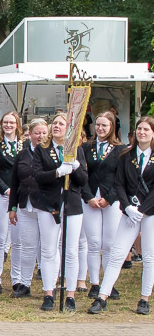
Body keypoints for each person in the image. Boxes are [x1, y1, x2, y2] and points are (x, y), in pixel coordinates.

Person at [88, 116, 154, 316]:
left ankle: (144, 298)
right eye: (139, 129)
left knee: (149, 257)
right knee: (117, 253)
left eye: (146, 129)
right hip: (129, 212)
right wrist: (127, 207)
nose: (142, 132)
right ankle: (102, 296)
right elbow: (119, 184)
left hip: (149, 212)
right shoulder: (126, 155)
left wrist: (142, 210)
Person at [32, 113, 88, 312]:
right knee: (48, 250)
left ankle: (70, 294)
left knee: (71, 251)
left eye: (61, 123)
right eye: (54, 123)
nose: (56, 126)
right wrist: (57, 172)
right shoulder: (42, 149)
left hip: (71, 203)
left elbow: (83, 180)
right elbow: (37, 175)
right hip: (48, 203)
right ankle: (49, 292)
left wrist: (76, 167)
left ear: (69, 128)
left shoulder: (76, 150)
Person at [81, 110, 125, 299]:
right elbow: (81, 174)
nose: (100, 128)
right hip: (90, 198)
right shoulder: (85, 147)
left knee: (109, 243)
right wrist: (88, 196)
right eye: (98, 125)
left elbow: (122, 178)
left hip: (111, 200)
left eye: (104, 125)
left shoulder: (121, 150)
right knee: (93, 243)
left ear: (112, 127)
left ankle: (108, 283)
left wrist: (109, 198)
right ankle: (94, 283)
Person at [8, 118, 47, 299]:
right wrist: (12, 207)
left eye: (44, 133)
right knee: (28, 246)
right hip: (25, 205)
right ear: (30, 134)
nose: (40, 136)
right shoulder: (22, 155)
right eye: (37, 133)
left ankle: (49, 284)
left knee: (47, 247)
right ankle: (24, 283)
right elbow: (15, 182)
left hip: (46, 205)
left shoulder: (50, 153)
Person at [0, 111, 23, 294]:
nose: (8, 125)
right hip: (1, 194)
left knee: (17, 240)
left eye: (12, 122)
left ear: (17, 124)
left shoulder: (25, 145)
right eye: (5, 122)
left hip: (20, 195)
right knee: (0, 237)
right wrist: (6, 189)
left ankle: (17, 279)